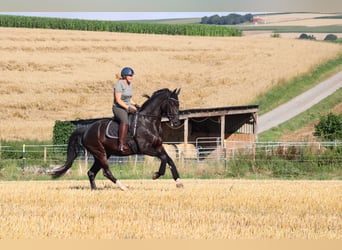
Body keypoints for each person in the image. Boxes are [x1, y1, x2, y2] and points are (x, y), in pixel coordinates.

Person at [112, 67, 139, 152]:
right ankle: (121, 144)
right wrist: (128, 107)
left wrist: (136, 105)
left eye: (132, 75)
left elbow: (129, 98)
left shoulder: (129, 84)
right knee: (125, 121)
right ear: (124, 76)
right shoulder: (119, 84)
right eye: (130, 75)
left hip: (127, 107)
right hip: (118, 108)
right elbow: (118, 100)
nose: (131, 77)